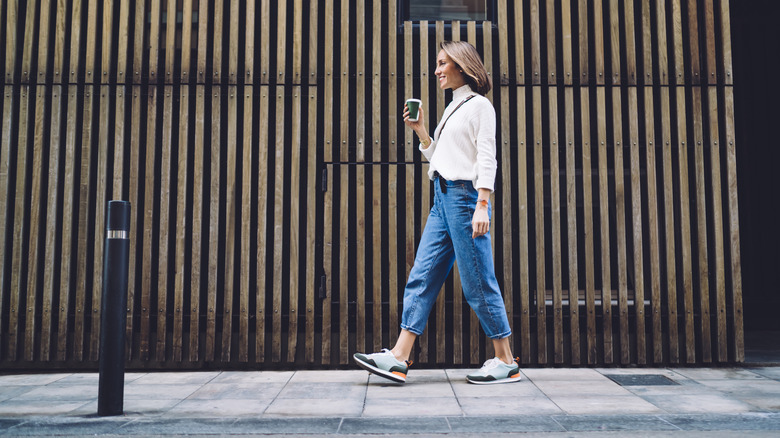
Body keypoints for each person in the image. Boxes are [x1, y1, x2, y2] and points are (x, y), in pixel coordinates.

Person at [353, 41, 519, 385]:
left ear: (462, 66)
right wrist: (421, 131)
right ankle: (399, 357)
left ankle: (505, 360)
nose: (437, 70)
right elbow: (442, 160)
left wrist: (482, 203)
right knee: (423, 276)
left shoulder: (479, 107)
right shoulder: (453, 108)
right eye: (437, 64)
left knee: (477, 283)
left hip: (464, 199)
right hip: (442, 200)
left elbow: (487, 158)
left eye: (443, 63)